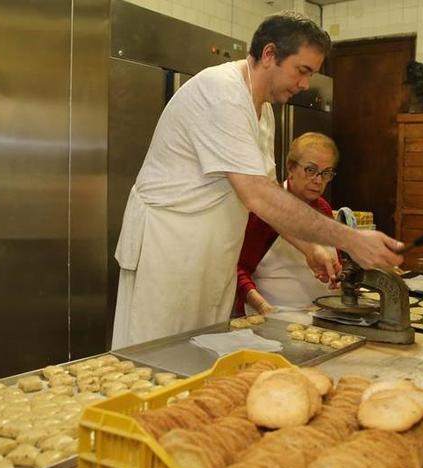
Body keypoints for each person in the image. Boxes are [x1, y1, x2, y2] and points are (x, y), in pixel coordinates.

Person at [112, 11, 404, 349]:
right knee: (157, 354)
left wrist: (310, 248)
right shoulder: (221, 93)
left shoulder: (263, 111)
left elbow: (270, 200)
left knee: (198, 354)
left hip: (212, 253)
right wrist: (351, 239)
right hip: (169, 249)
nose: (305, 84)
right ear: (269, 54)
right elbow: (259, 196)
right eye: (302, 70)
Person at [235, 132, 341, 315]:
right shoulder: (265, 211)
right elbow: (237, 269)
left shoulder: (323, 208)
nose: (318, 180)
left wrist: (334, 273)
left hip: (320, 318)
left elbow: (333, 262)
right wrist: (262, 307)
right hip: (273, 320)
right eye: (310, 170)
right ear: (290, 168)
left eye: (326, 173)